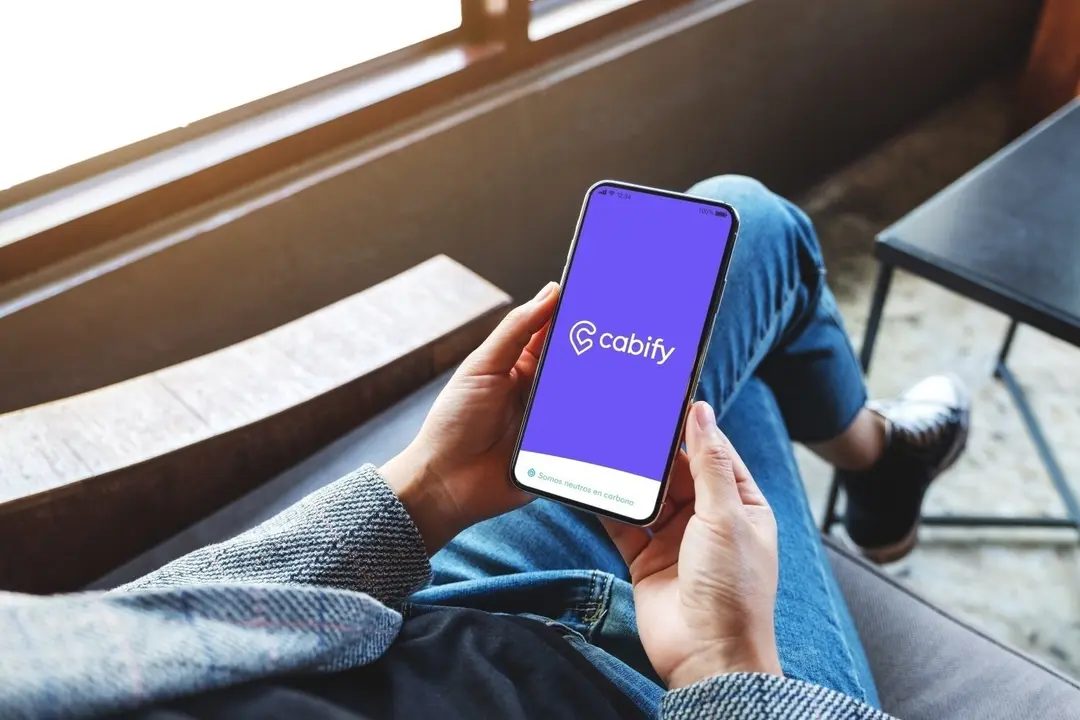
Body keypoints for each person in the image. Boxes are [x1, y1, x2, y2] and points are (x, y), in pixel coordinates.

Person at [0, 176, 969, 720]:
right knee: (735, 293)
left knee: (727, 249)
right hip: (657, 695)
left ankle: (881, 463)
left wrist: (423, 492)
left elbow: (143, 639)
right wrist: (724, 664)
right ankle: (880, 463)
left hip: (406, 625)